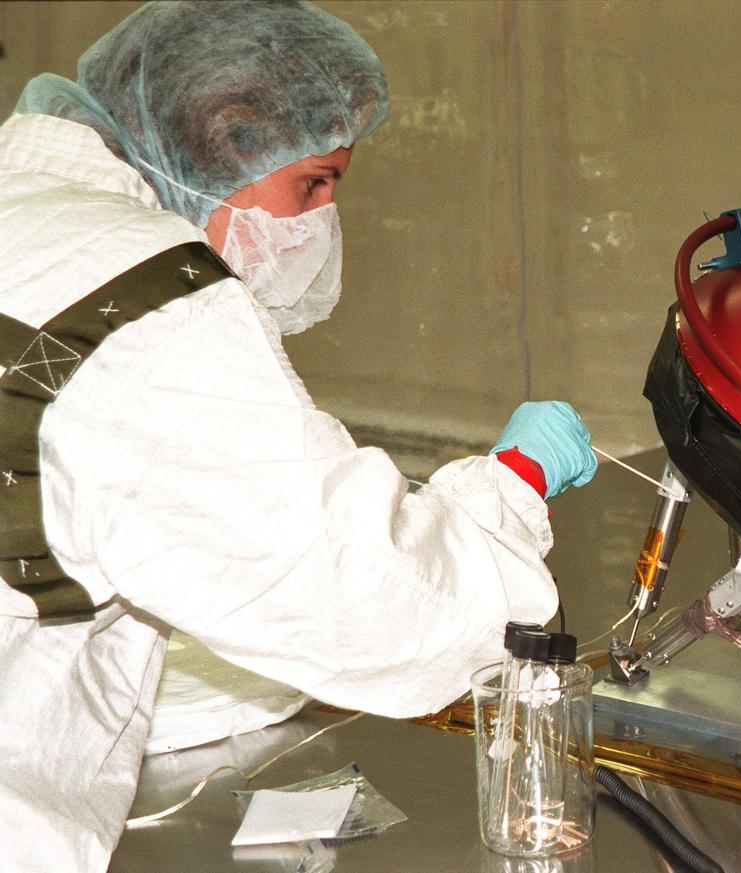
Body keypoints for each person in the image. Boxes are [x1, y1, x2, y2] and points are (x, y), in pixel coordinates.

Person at [0, 2, 596, 870]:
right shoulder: (150, 306)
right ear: (220, 141)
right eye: (314, 183)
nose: (320, 221)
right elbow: (369, 603)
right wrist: (505, 489)